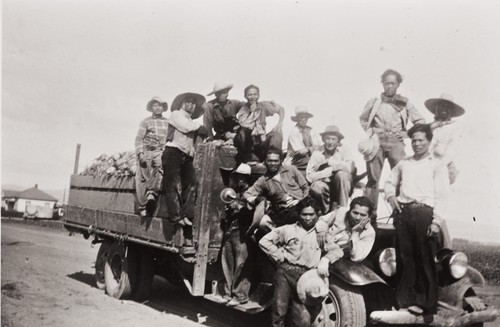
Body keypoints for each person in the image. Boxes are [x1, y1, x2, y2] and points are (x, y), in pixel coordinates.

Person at [384, 123, 449, 315]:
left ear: (429, 141)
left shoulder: (436, 165)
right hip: (403, 213)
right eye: (413, 140)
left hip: (424, 214)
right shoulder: (404, 164)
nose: (417, 144)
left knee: (425, 258)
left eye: (421, 140)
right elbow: (389, 182)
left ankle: (426, 304)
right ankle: (404, 302)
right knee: (405, 258)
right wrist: (390, 196)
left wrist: (436, 222)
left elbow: (442, 196)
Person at [259, 196, 344, 327]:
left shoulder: (321, 234)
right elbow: (264, 241)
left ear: (317, 215)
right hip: (285, 273)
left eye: (311, 214)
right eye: (304, 214)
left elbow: (338, 251)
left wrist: (326, 259)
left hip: (307, 277)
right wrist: (279, 256)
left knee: (302, 319)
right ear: (298, 214)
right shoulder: (287, 229)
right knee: (279, 310)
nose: (308, 218)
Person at [359, 69, 426, 217]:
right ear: (382, 84)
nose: (390, 86)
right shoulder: (375, 102)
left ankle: (400, 214)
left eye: (393, 83)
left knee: (401, 177)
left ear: (398, 85)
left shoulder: (404, 103)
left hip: (396, 143)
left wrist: (407, 133)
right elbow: (363, 119)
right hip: (377, 142)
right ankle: (369, 216)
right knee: (373, 179)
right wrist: (371, 132)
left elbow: (420, 121)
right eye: (387, 83)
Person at [162, 93, 209, 235]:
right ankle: (176, 216)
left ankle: (186, 214)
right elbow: (185, 128)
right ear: (182, 104)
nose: (191, 105)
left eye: (193, 104)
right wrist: (200, 127)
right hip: (173, 152)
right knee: (173, 184)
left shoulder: (190, 120)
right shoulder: (176, 115)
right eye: (188, 102)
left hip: (186, 155)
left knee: (192, 183)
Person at [243, 147, 309, 233]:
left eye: (276, 161)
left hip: (301, 206)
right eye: (270, 161)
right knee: (264, 223)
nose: (273, 163)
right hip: (283, 213)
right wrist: (256, 199)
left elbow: (305, 187)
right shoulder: (263, 180)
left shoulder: (291, 169)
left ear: (281, 161)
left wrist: (300, 201)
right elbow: (247, 194)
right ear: (265, 161)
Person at [221, 163, 255, 306]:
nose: (241, 180)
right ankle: (228, 293)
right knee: (227, 260)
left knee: (241, 264)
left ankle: (240, 295)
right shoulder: (234, 192)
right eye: (238, 177)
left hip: (244, 231)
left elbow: (254, 211)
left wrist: (239, 207)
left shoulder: (252, 193)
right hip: (231, 230)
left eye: (244, 178)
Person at [306, 125, 355, 213]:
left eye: (333, 139)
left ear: (338, 141)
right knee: (316, 186)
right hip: (325, 187)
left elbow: (350, 167)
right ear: (323, 139)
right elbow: (309, 176)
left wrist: (329, 162)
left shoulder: (345, 150)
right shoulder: (317, 153)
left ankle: (342, 212)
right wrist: (330, 170)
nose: (330, 142)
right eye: (327, 139)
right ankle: (326, 214)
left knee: (342, 174)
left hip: (342, 186)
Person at [134, 97, 169, 217]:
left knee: (160, 168)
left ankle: (152, 193)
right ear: (151, 108)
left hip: (160, 150)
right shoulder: (146, 121)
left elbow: (169, 138)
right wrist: (140, 153)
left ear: (163, 108)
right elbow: (139, 138)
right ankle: (142, 206)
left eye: (160, 105)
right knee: (142, 178)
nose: (158, 108)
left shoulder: (167, 122)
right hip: (147, 150)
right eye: (155, 105)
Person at [316, 196, 376, 262]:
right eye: (355, 213)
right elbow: (322, 220)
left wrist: (355, 233)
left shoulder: (369, 232)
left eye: (363, 215)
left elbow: (357, 257)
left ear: (368, 217)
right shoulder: (341, 212)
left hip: (338, 259)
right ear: (349, 210)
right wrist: (322, 230)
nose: (357, 218)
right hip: (320, 247)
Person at [234, 84, 285, 163]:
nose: (253, 97)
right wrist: (252, 111)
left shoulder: (263, 106)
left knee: (277, 133)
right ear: (245, 96)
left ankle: (274, 159)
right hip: (249, 143)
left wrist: (279, 123)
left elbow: (280, 109)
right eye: (250, 95)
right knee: (242, 132)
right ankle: (249, 158)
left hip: (261, 142)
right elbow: (246, 125)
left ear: (259, 95)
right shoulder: (243, 110)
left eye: (255, 94)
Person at [426, 93, 465, 184]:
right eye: (441, 106)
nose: (444, 109)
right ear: (436, 108)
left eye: (447, 107)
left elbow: (451, 151)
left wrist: (437, 167)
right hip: (426, 162)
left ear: (451, 111)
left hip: (443, 165)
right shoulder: (430, 126)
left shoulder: (454, 128)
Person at [284, 106, 322, 176]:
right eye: (301, 117)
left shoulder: (311, 130)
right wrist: (312, 149)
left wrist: (308, 149)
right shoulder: (294, 132)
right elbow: (301, 152)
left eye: (306, 117)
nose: (304, 119)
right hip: (295, 160)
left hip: (309, 158)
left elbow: (319, 147)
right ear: (297, 119)